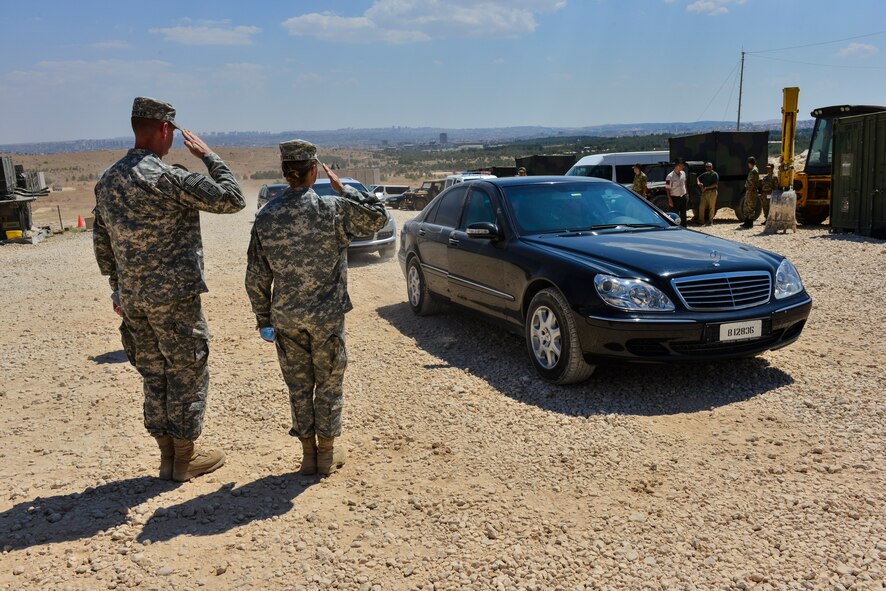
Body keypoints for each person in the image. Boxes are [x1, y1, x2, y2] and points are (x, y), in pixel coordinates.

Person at [93, 96, 245, 482]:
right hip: (174, 299)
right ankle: (184, 459)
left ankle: (166, 457)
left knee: (153, 374)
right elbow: (233, 199)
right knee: (187, 373)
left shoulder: (107, 181)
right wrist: (209, 156)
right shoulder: (166, 177)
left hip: (133, 301)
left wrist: (118, 289)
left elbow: (101, 243)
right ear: (164, 129)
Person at [245, 140, 387, 476]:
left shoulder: (267, 216)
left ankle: (308, 455)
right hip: (326, 318)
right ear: (313, 172)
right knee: (328, 383)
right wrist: (346, 190)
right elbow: (378, 218)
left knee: (298, 385)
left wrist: (263, 319)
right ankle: (326, 455)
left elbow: (255, 276)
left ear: (285, 172)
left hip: (286, 318)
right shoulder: (332, 209)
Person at [666, 160, 688, 227]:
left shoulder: (683, 173)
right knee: (675, 215)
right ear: (677, 166)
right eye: (682, 165)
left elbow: (685, 183)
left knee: (683, 214)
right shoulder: (669, 176)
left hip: (683, 197)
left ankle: (684, 227)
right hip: (674, 198)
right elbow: (667, 188)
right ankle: (675, 227)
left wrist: (687, 193)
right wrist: (669, 199)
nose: (683, 166)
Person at [695, 162, 719, 226]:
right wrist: (699, 184)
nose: (708, 168)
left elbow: (715, 184)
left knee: (711, 207)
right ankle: (701, 221)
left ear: (712, 167)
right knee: (701, 207)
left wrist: (706, 188)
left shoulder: (714, 174)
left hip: (712, 192)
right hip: (704, 193)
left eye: (709, 167)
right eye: (707, 167)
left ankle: (710, 221)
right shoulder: (705, 174)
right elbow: (697, 178)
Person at [741, 156, 760, 228]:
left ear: (750, 163)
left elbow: (753, 183)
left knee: (750, 208)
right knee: (746, 207)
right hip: (749, 191)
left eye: (748, 163)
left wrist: (749, 191)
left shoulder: (754, 170)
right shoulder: (752, 170)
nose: (748, 165)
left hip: (752, 192)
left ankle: (750, 223)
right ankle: (746, 222)